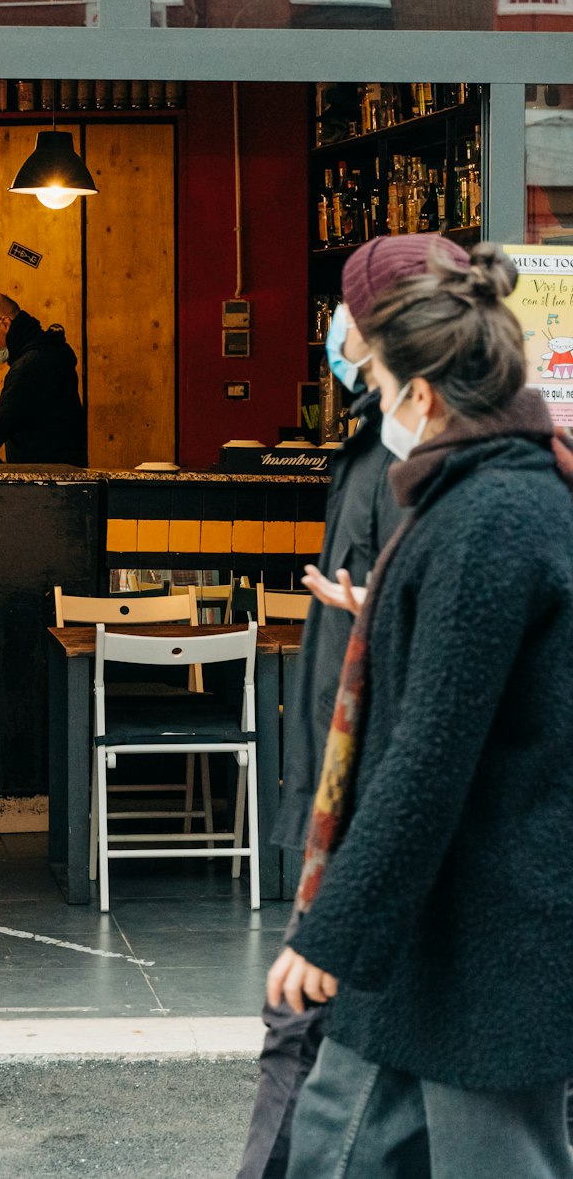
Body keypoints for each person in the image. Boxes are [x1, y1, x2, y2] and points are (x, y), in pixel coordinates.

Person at [268, 242, 573, 1179]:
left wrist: (334, 928)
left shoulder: (488, 520)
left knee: (478, 1160)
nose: (375, 404)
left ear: (425, 397)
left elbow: (429, 755)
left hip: (484, 942)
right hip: (444, 940)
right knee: (336, 1144)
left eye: (379, 382)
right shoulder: (509, 499)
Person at [237, 235, 467, 1179]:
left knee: (310, 1033)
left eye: (351, 321)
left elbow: (437, 664)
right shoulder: (384, 443)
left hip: (366, 796)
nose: (340, 339)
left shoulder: (428, 463)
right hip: (345, 782)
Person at [0, 292, 88, 466]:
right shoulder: (48, 351)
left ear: (5, 324)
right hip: (63, 475)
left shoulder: (31, 365)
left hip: (48, 484)